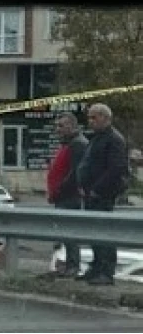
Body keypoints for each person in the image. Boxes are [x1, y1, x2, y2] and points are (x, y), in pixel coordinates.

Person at [77, 102, 130, 285]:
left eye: (94, 117)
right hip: (90, 193)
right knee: (94, 233)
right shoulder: (97, 138)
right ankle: (96, 267)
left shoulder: (114, 139)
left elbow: (116, 169)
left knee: (104, 233)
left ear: (106, 118)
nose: (90, 121)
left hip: (102, 194)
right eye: (89, 117)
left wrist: (97, 189)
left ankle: (106, 272)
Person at [47, 112, 89, 277]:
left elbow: (75, 173)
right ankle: (69, 265)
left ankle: (73, 265)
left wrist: (60, 189)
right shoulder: (69, 143)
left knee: (69, 232)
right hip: (63, 195)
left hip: (69, 196)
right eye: (57, 126)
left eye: (62, 126)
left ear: (72, 126)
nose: (58, 129)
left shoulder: (77, 144)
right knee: (65, 232)